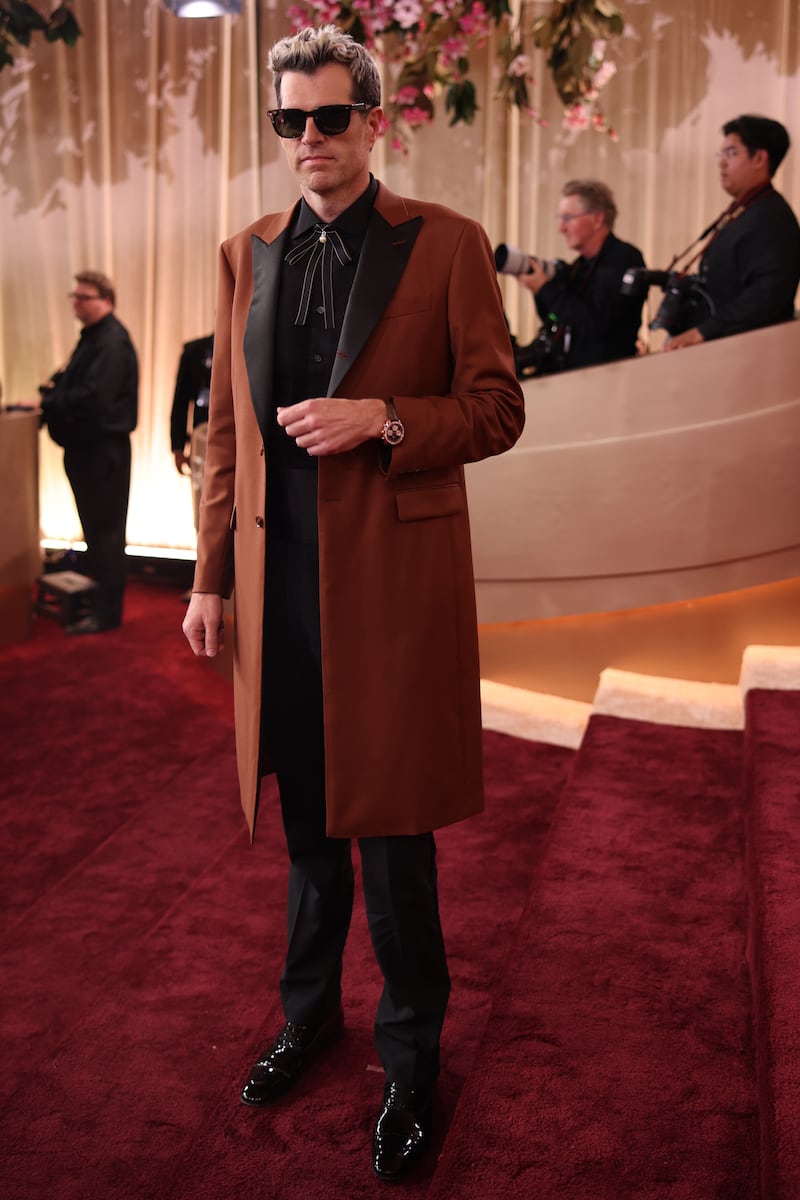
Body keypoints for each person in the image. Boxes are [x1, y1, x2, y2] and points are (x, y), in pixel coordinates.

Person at [181, 24, 524, 1185]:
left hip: (391, 589)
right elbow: (225, 436)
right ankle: (308, 1014)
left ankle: (411, 1067)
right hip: (281, 593)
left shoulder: (447, 245)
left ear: (373, 121)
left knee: (393, 842)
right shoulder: (247, 253)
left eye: (331, 118)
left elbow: (494, 409)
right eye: (291, 122)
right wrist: (210, 577)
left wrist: (382, 418)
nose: (311, 140)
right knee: (309, 830)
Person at [38, 271, 138, 634]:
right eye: (74, 296)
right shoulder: (94, 338)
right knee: (97, 533)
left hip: (101, 452)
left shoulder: (111, 341)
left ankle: (106, 616)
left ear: (106, 301)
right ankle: (100, 607)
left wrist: (48, 401)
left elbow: (94, 398)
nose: (76, 302)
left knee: (106, 534)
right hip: (89, 450)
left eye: (85, 297)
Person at [665, 115, 800, 351]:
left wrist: (705, 331)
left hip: (750, 355)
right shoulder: (745, 211)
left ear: (759, 158)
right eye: (721, 155)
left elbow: (766, 296)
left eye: (731, 153)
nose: (722, 163)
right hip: (726, 350)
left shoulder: (772, 217)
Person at [512, 178, 645, 373]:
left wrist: (545, 289)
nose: (561, 228)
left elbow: (595, 325)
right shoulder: (580, 266)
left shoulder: (623, 258)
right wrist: (538, 289)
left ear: (597, 219)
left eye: (568, 218)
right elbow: (556, 319)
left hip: (606, 381)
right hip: (574, 379)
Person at [170, 332, 214, 530]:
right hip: (203, 436)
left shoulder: (251, 345)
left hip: (241, 438)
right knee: (202, 496)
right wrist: (178, 447)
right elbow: (180, 402)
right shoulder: (195, 351)